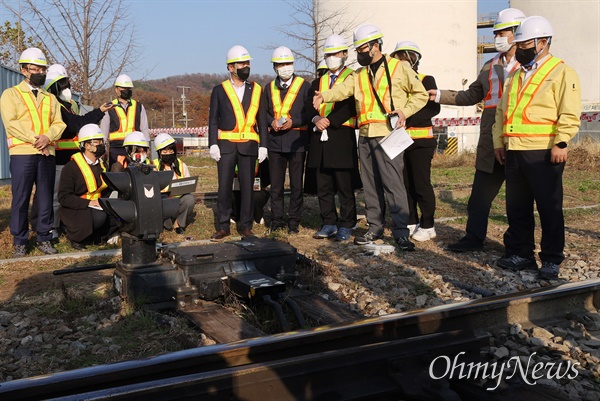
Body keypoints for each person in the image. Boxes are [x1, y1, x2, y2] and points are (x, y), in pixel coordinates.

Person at [313, 24, 428, 251]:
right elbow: (343, 90)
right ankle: (374, 227)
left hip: (388, 133)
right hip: (365, 136)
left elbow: (421, 94)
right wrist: (324, 95)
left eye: (363, 48)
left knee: (393, 184)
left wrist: (404, 112)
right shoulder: (359, 74)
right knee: (370, 186)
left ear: (376, 46)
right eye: (358, 50)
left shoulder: (398, 68)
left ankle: (401, 232)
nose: (360, 54)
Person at [429, 8, 526, 252]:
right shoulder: (489, 65)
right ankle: (473, 239)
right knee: (479, 198)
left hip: (518, 140)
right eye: (496, 33)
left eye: (502, 32)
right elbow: (471, 95)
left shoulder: (530, 65)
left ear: (517, 33)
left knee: (518, 200)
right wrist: (440, 95)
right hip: (490, 142)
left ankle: (518, 248)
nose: (497, 37)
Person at [493, 16, 581, 280]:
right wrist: (499, 141)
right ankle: (522, 254)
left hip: (544, 152)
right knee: (517, 207)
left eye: (525, 43)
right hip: (515, 150)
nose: (520, 48)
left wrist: (562, 142)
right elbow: (501, 111)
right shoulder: (515, 75)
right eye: (518, 43)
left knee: (549, 208)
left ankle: (552, 259)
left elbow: (569, 112)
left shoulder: (562, 72)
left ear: (543, 42)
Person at [32, 64, 112, 239]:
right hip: (57, 158)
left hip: (68, 159)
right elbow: (76, 124)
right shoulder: (55, 106)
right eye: (63, 84)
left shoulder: (66, 105)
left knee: (61, 194)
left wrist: (100, 111)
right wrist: (99, 112)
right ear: (54, 85)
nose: (67, 87)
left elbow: (79, 121)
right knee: (53, 195)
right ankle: (49, 228)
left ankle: (59, 225)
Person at [0, 48, 66, 257]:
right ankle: (20, 240)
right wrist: (35, 139)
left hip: (46, 152)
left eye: (43, 69)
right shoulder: (11, 94)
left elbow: (59, 123)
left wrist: (48, 137)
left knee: (45, 197)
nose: (40, 72)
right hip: (23, 152)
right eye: (35, 69)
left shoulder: (50, 98)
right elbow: (11, 123)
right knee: (21, 197)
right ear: (24, 70)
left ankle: (44, 237)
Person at [208, 45, 268, 240]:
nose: (246, 67)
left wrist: (264, 145)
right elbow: (213, 119)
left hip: (249, 145)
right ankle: (223, 225)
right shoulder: (219, 90)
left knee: (248, 188)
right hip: (225, 145)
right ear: (231, 67)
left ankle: (246, 225)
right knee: (224, 187)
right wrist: (213, 143)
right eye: (241, 63)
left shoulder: (257, 90)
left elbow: (262, 120)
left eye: (247, 63)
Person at [306, 34, 359, 242]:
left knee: (344, 184)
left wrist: (330, 120)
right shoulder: (318, 81)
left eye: (336, 53)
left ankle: (346, 224)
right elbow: (307, 106)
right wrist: (316, 118)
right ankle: (328, 221)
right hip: (319, 136)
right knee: (323, 184)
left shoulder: (352, 77)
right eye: (328, 54)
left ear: (345, 54)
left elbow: (351, 105)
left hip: (341, 135)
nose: (332, 58)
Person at [390, 41, 440, 242]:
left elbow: (432, 108)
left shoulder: (427, 80)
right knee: (404, 184)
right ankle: (410, 220)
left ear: (415, 59)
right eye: (399, 57)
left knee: (421, 184)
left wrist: (405, 118)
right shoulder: (395, 83)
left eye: (406, 57)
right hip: (400, 141)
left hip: (421, 141)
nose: (402, 61)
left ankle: (428, 224)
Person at [263, 46, 311, 234]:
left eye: (287, 63)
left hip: (297, 141)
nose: (285, 67)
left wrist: (294, 121)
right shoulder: (268, 88)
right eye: (281, 64)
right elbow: (264, 113)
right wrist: (271, 121)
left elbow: (309, 113)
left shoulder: (304, 85)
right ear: (275, 67)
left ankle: (294, 220)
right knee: (276, 185)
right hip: (275, 142)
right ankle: (277, 219)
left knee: (297, 184)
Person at [58, 124, 111, 250]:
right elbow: (64, 197)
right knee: (97, 218)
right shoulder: (71, 168)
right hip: (77, 207)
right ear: (87, 145)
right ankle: (76, 238)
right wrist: (89, 202)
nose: (101, 145)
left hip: (97, 204)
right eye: (97, 142)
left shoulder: (102, 165)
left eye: (102, 142)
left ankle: (98, 237)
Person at [100, 74, 150, 167]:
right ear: (116, 90)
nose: (126, 91)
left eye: (128, 88)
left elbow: (144, 129)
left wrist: (147, 147)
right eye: (123, 88)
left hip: (136, 148)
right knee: (117, 174)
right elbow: (104, 131)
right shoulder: (109, 107)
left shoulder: (139, 106)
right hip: (116, 149)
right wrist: (103, 149)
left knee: (137, 174)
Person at [153, 133, 196, 234]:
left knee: (190, 199)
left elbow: (188, 184)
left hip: (178, 200)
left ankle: (178, 224)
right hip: (161, 202)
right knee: (166, 225)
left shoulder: (181, 165)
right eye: (165, 151)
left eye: (171, 150)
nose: (168, 153)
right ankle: (165, 221)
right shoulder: (153, 165)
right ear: (159, 153)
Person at [231, 159, 270, 226]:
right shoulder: (234, 158)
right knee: (232, 194)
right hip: (238, 189)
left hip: (257, 190)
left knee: (257, 196)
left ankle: (257, 215)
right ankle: (235, 215)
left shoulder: (262, 158)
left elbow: (267, 179)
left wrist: (260, 184)